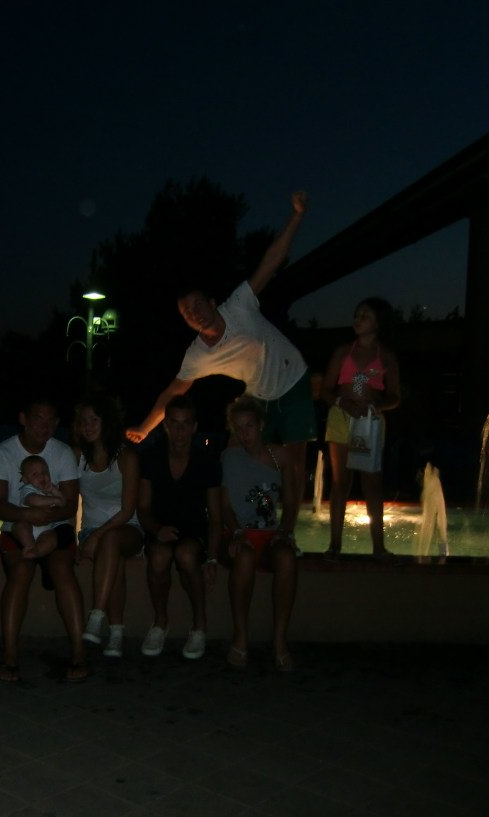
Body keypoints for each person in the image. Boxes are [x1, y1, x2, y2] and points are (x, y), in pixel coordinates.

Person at [126, 190, 315, 495]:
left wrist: (297, 215)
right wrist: (144, 428)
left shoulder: (239, 305)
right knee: (233, 455)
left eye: (198, 304)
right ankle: (236, 516)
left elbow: (271, 261)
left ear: (212, 302)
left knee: (294, 463)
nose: (195, 312)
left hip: (293, 378)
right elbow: (172, 392)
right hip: (258, 394)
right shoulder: (197, 355)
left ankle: (288, 523)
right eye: (187, 312)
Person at [0, 398, 87, 683]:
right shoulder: (2, 453)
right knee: (20, 572)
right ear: (24, 419)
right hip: (18, 526)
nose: (44, 426)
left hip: (56, 526)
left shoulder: (63, 453)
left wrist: (48, 515)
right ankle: (10, 655)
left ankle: (79, 653)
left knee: (63, 570)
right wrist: (28, 514)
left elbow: (70, 503)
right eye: (38, 418)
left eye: (51, 420)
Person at [137, 394, 222, 659]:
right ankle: (160, 622)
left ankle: (199, 625)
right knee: (159, 556)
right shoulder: (151, 457)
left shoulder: (207, 460)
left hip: (194, 529)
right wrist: (156, 530)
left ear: (194, 427)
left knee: (186, 555)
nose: (179, 430)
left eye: (185, 424)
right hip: (160, 526)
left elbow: (215, 515)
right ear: (165, 426)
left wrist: (212, 558)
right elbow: (143, 508)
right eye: (174, 423)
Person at [220, 396, 299, 671]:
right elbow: (225, 506)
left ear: (261, 425)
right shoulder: (229, 457)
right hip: (239, 532)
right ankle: (241, 637)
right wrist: (236, 532)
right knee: (243, 557)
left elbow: (291, 502)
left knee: (286, 557)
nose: (245, 434)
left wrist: (285, 531)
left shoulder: (281, 457)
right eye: (239, 428)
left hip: (269, 533)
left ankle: (280, 640)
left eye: (249, 426)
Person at [319, 297, 401, 558]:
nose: (358, 319)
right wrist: (342, 402)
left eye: (365, 315)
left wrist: (380, 406)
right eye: (357, 314)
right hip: (341, 418)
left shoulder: (386, 356)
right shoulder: (343, 352)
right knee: (340, 482)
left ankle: (379, 547)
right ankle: (334, 545)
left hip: (369, 422)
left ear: (378, 322)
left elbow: (395, 396)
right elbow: (325, 390)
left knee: (372, 484)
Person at [72, 394, 143, 658]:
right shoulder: (77, 456)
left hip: (128, 528)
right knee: (114, 557)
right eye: (83, 421)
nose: (88, 426)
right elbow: (71, 504)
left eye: (94, 420)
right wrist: (77, 540)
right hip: (92, 531)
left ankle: (96, 614)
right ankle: (116, 633)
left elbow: (127, 511)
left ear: (107, 422)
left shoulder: (126, 457)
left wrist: (97, 537)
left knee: (110, 541)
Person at [11, 455, 66, 558]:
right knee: (20, 526)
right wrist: (54, 500)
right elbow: (33, 500)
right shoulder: (28, 488)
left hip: (45, 530)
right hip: (28, 526)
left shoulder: (49, 491)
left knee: (52, 538)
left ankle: (36, 552)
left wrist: (54, 490)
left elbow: (63, 502)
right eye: (35, 474)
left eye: (45, 472)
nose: (42, 476)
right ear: (25, 479)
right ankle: (29, 546)